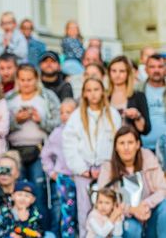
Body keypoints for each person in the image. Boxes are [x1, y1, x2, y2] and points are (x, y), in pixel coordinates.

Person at [63, 77, 122, 237]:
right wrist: (83, 169)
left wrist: (108, 168)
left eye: (96, 89)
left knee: (108, 209)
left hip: (106, 170)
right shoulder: (76, 117)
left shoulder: (112, 114)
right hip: (84, 170)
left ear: (103, 91)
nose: (93, 94)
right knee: (85, 211)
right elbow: (69, 145)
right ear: (84, 93)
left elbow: (116, 143)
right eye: (89, 90)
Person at [7, 64, 60, 229]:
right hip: (15, 151)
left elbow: (58, 124)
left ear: (36, 79)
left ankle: (41, 230)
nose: (26, 83)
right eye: (22, 79)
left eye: (29, 79)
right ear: (17, 80)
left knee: (38, 192)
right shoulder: (9, 98)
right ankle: (17, 229)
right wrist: (17, 121)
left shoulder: (47, 96)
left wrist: (40, 120)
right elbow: (2, 126)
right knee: (17, 194)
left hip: (39, 150)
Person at [98, 125, 166, 238]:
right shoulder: (108, 167)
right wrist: (132, 210)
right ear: (116, 147)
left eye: (130, 142)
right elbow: (103, 199)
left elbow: (163, 188)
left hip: (149, 212)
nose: (126, 147)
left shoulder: (147, 157)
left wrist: (146, 204)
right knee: (132, 229)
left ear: (137, 144)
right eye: (122, 143)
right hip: (125, 217)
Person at [40, 99, 78, 237]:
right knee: (65, 213)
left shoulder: (82, 130)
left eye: (68, 112)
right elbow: (45, 155)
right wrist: (52, 172)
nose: (64, 115)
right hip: (64, 179)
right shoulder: (57, 133)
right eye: (61, 112)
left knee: (82, 211)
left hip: (81, 177)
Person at [108, 55, 150, 135]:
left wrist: (137, 116)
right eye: (114, 71)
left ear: (128, 73)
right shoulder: (104, 97)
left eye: (122, 71)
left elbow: (145, 130)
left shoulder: (138, 96)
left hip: (131, 140)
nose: (117, 75)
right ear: (109, 72)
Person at [136, 54, 166, 152]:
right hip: (143, 148)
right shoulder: (137, 89)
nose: (156, 70)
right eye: (152, 67)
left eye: (160, 66)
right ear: (145, 69)